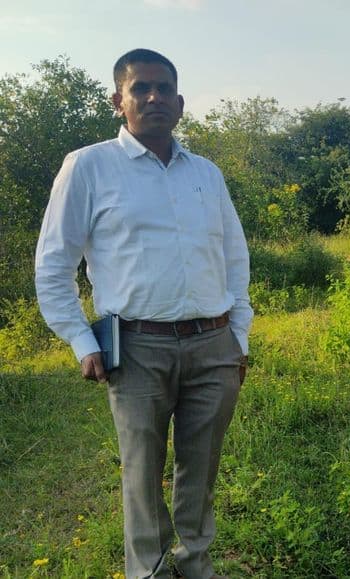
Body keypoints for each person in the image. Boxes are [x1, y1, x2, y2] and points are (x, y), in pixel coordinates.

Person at [35, 49, 252, 578]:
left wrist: (238, 336)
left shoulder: (206, 173)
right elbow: (53, 262)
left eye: (164, 90)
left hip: (213, 344)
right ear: (119, 101)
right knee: (141, 471)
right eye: (140, 89)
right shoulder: (88, 166)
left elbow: (233, 258)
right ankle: (150, 572)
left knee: (200, 468)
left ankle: (195, 563)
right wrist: (82, 342)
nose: (153, 98)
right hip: (135, 349)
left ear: (180, 103)